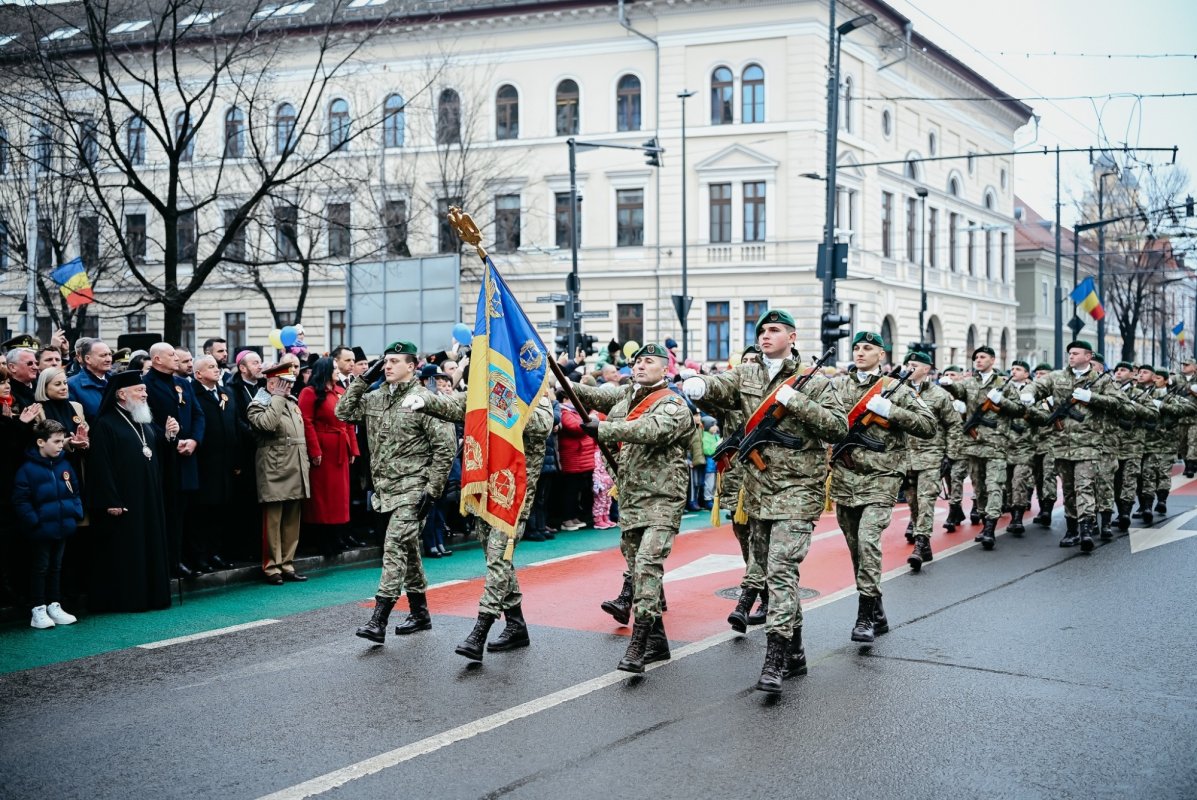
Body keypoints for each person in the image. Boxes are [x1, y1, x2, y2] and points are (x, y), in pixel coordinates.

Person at [683, 310, 846, 692]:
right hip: (756, 492)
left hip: (798, 490)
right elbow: (720, 387)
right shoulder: (747, 374)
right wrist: (699, 385)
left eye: (775, 330)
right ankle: (797, 650)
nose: (766, 335)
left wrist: (796, 401)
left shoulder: (814, 381)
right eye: (762, 331)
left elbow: (837, 426)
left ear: (792, 336)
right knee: (777, 578)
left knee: (780, 570)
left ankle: (774, 660)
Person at [403, 387, 554, 661]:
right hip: (484, 489)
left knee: (498, 558)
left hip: (513, 495)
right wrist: (425, 400)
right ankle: (517, 625)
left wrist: (503, 404)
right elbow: (454, 405)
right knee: (496, 560)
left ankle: (481, 629)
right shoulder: (483, 391)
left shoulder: (532, 392)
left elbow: (542, 423)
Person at [572, 343, 693, 674]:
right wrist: (558, 382)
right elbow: (592, 397)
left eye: (648, 361)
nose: (640, 365)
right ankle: (658, 642)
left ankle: (638, 643)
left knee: (648, 565)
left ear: (665, 368)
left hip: (662, 498)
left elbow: (653, 430)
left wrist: (605, 429)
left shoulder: (673, 404)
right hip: (631, 498)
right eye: (637, 361)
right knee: (638, 568)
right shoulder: (626, 397)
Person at [336, 341, 455, 644]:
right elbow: (343, 412)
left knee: (394, 546)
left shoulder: (424, 400)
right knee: (409, 550)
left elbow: (445, 448)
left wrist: (433, 489)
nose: (387, 366)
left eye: (394, 361)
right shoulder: (376, 398)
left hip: (414, 489)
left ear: (412, 366)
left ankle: (379, 619)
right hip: (386, 490)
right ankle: (420, 612)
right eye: (385, 361)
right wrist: (363, 380)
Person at [829, 331, 934, 643]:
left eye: (868, 348)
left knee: (868, 541)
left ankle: (864, 616)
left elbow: (928, 425)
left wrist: (892, 412)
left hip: (882, 479)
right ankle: (878, 609)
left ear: (882, 356)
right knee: (856, 549)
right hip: (845, 479)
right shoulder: (837, 385)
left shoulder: (893, 388)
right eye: (857, 348)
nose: (861, 353)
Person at [1020, 341, 1129, 550]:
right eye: (1069, 353)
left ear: (1088, 356)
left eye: (1076, 353)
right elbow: (1038, 384)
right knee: (1069, 489)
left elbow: (1120, 404)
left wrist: (1092, 398)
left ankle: (1086, 529)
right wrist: (1029, 393)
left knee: (1084, 486)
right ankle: (1072, 529)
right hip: (1061, 444)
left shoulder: (1101, 380)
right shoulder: (1058, 377)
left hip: (1089, 444)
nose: (1071, 356)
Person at [86, 370, 175, 611]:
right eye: (139, 390)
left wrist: (168, 437)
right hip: (124, 498)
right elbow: (100, 466)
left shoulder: (143, 419)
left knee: (151, 543)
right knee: (130, 548)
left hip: (149, 495)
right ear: (121, 394)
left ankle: (154, 596)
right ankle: (131, 599)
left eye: (144, 390)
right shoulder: (105, 424)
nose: (145, 394)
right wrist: (110, 499)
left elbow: (153, 454)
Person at [940, 346, 1023, 549]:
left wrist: (1001, 401)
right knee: (979, 486)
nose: (978, 360)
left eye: (982, 357)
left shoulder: (1004, 384)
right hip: (973, 445)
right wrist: (949, 385)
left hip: (996, 444)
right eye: (976, 357)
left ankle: (990, 529)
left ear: (992, 360)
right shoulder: (969, 382)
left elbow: (1020, 410)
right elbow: (959, 392)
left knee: (995, 484)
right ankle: (986, 519)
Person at [13, 419, 84, 629]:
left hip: (62, 526)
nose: (61, 445)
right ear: (41, 442)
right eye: (56, 441)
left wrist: (75, 512)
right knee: (41, 568)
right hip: (41, 530)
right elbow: (20, 500)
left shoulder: (64, 464)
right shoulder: (27, 469)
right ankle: (38, 609)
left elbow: (75, 490)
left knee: (56, 567)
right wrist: (34, 522)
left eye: (62, 441)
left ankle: (54, 605)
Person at [144, 342, 205, 577]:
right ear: (157, 359)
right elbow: (146, 419)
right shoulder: (146, 384)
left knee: (185, 512)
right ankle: (168, 562)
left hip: (187, 456)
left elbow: (198, 414)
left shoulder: (182, 383)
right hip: (164, 457)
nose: (176, 359)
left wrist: (194, 440)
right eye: (171, 355)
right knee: (168, 514)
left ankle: (184, 558)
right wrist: (171, 439)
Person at [247, 363, 311, 584]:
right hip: (274, 469)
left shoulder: (291, 402)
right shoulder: (259, 403)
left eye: (291, 383)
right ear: (272, 383)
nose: (289, 387)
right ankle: (271, 567)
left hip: (294, 466)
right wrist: (277, 397)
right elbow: (267, 425)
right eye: (285, 383)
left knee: (292, 519)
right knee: (273, 521)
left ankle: (287, 564)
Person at [902, 351, 960, 571]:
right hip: (906, 458)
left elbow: (953, 425)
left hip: (931, 455)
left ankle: (920, 544)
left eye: (914, 365)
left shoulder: (939, 395)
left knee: (926, 500)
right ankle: (923, 542)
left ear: (926, 369)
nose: (909, 368)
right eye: (908, 364)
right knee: (913, 502)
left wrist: (950, 455)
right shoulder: (901, 391)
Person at [298, 357, 359, 556]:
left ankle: (337, 536)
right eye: (333, 368)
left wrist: (353, 449)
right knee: (323, 497)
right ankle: (323, 540)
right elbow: (307, 422)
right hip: (324, 451)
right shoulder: (310, 393)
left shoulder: (340, 392)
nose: (336, 371)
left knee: (339, 497)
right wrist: (315, 451)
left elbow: (347, 421)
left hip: (340, 450)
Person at [191, 355, 240, 569]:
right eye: (210, 367)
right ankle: (201, 556)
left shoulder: (225, 393)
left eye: (216, 366)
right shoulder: (194, 393)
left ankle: (216, 552)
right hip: (205, 463)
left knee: (221, 511)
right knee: (203, 513)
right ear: (198, 373)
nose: (216, 369)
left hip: (225, 463)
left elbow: (235, 425)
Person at [556, 393, 596, 530]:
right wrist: (590, 421)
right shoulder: (564, 411)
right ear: (565, 399)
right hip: (572, 458)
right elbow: (575, 427)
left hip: (582, 458)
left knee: (578, 489)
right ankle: (567, 519)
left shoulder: (574, 412)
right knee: (570, 491)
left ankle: (574, 517)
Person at [6, 345, 39, 412]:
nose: (35, 367)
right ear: (12, 367)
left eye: (36, 363)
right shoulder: (7, 392)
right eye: (30, 363)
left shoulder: (41, 386)